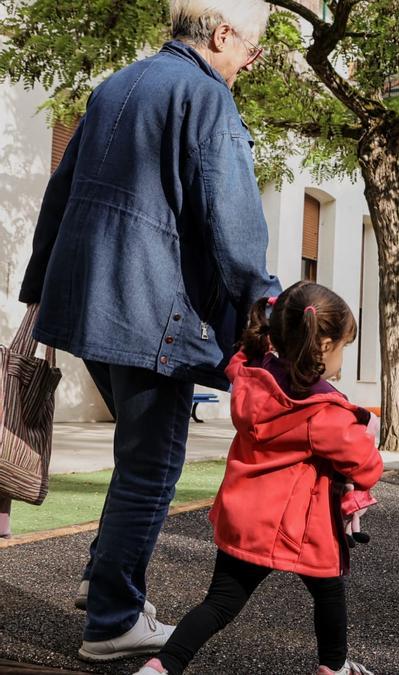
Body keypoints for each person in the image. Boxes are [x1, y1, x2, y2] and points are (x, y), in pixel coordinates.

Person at [17, 0, 280, 661]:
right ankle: (112, 620)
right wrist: (263, 298)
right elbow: (233, 217)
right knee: (153, 463)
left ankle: (103, 579)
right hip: (149, 307)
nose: (250, 64)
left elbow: (61, 189)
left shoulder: (117, 84)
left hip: (87, 300)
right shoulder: (206, 97)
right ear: (222, 35)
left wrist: (35, 289)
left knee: (135, 455)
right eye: (252, 51)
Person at [134, 281, 382, 675]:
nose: (342, 358)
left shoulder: (252, 376)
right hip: (298, 526)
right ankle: (333, 667)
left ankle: (163, 666)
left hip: (244, 515)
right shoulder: (323, 412)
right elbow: (365, 464)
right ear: (322, 346)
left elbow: (242, 357)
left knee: (218, 604)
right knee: (329, 590)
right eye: (342, 347)